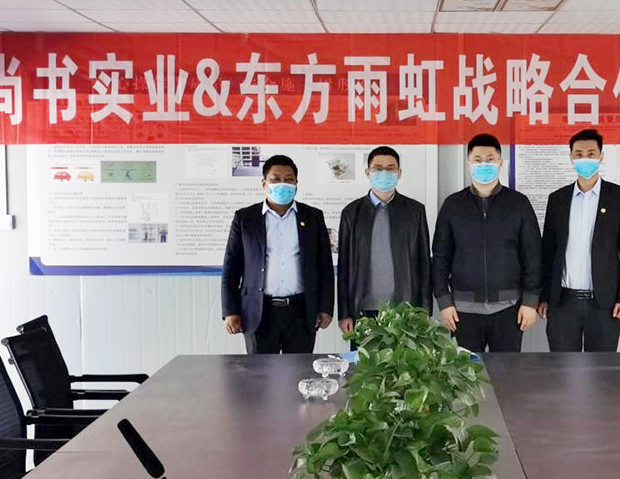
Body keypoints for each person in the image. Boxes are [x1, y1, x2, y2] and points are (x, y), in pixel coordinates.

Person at [432, 133, 541, 353]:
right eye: (478, 159)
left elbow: (533, 255)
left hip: (509, 309)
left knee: (508, 371)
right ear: (468, 164)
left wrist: (530, 301)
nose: (484, 164)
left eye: (490, 159)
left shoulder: (518, 204)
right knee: (466, 371)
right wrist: (444, 301)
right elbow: (440, 256)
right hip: (462, 311)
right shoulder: (453, 205)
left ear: (500, 162)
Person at [221, 154, 334, 354]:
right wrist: (230, 311)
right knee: (260, 372)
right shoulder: (245, 218)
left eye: (289, 179)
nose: (283, 184)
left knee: (299, 370)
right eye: (276, 179)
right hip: (259, 311)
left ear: (296, 183)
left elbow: (324, 266)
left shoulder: (313, 217)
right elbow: (231, 268)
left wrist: (325, 308)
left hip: (301, 311)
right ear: (264, 183)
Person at [539, 129, 620, 352]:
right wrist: (544, 296)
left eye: (591, 154)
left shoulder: (619, 198)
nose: (585, 159)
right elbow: (548, 251)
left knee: (601, 368)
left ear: (601, 156)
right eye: (579, 154)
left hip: (604, 303)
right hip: (563, 302)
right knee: (563, 366)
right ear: (571, 157)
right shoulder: (557, 199)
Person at [337, 146, 432, 334]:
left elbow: (423, 264)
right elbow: (344, 266)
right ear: (367, 172)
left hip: (406, 309)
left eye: (390, 168)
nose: (384, 173)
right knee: (363, 355)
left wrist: (425, 311)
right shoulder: (351, 213)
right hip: (363, 310)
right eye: (378, 168)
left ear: (399, 173)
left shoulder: (415, 211)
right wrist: (344, 313)